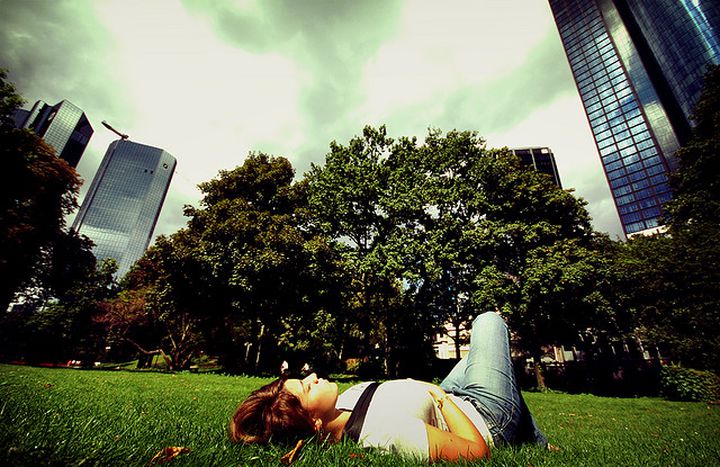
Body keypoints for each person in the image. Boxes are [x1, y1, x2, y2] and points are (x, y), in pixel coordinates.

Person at [228, 311, 548, 462]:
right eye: (307, 388)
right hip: (485, 417)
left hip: (452, 393)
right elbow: (475, 453)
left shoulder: (345, 403)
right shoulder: (384, 433)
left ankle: (534, 439)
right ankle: (528, 435)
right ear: (313, 422)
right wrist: (438, 396)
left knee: (487, 360)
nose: (312, 377)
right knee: (489, 323)